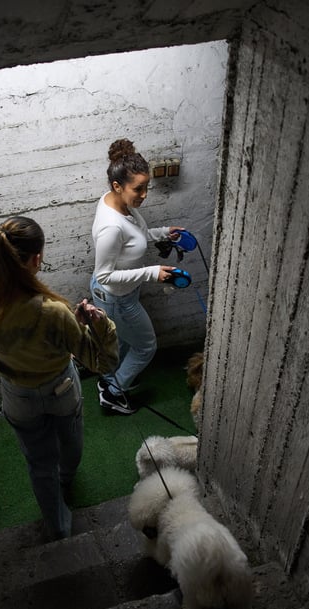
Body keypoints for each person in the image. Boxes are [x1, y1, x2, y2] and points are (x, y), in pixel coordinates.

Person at [0, 216, 118, 541]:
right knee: (70, 447)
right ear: (36, 260)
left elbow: (5, 345)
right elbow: (100, 361)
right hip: (61, 390)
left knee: (38, 462)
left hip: (17, 397)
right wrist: (98, 324)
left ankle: (58, 526)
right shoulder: (53, 312)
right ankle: (66, 480)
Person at [90, 138, 184, 414]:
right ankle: (112, 394)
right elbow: (104, 275)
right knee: (145, 346)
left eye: (146, 188)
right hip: (114, 296)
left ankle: (109, 380)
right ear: (117, 187)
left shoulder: (116, 203)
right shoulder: (111, 226)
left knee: (119, 341)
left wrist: (163, 233)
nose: (144, 195)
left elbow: (135, 237)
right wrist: (152, 272)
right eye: (138, 189)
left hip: (119, 295)